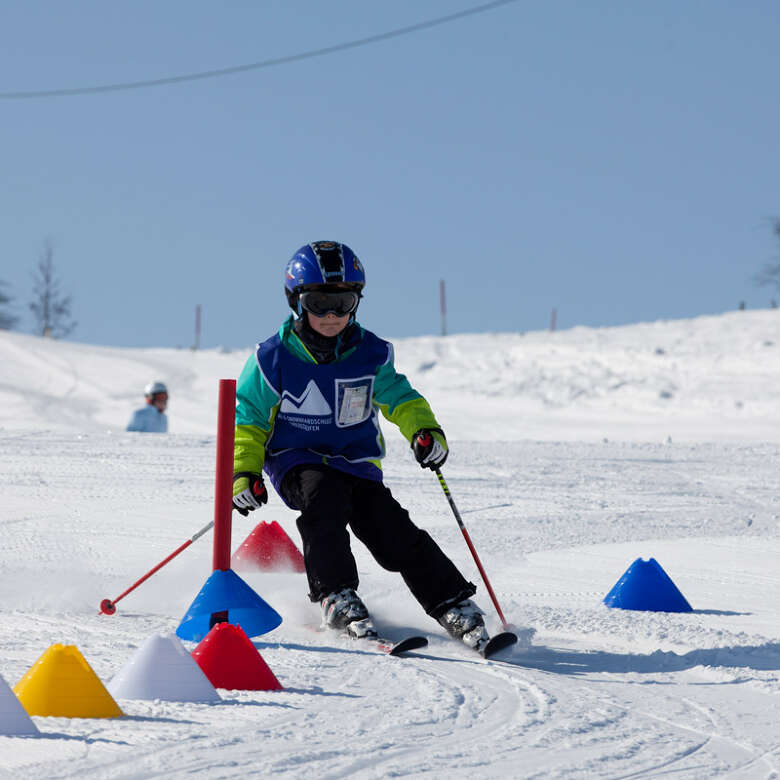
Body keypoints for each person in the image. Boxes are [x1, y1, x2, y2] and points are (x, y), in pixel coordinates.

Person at [232, 240, 490, 650]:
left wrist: (424, 431)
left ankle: (451, 602)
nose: (332, 315)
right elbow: (249, 419)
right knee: (324, 498)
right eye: (319, 303)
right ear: (297, 302)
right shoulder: (272, 358)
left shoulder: (370, 353)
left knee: (390, 527)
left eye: (344, 302)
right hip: (296, 460)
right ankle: (335, 594)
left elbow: (401, 398)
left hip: (356, 462)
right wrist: (244, 472)